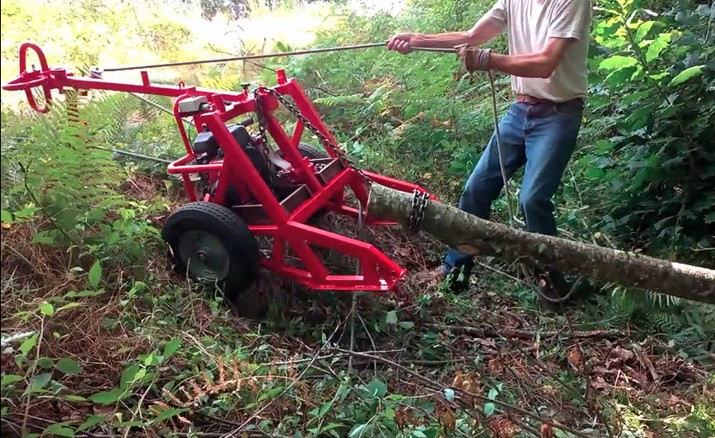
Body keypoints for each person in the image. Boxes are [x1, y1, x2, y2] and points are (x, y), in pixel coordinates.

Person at [386, 0, 593, 309]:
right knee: (476, 190)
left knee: (532, 200)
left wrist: (488, 60)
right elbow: (472, 35)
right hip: (520, 110)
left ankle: (555, 285)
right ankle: (456, 273)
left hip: (558, 114)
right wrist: (416, 40)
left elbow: (545, 63)